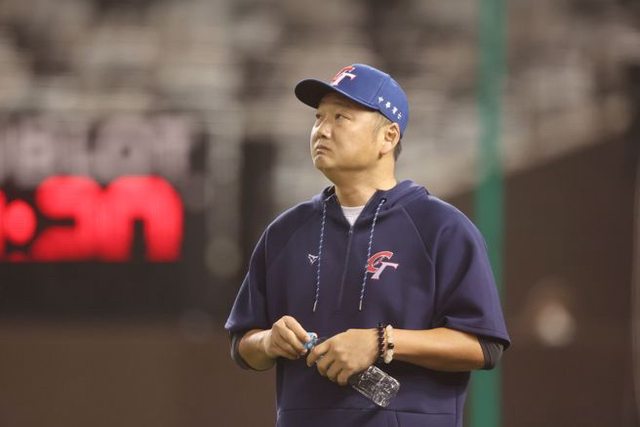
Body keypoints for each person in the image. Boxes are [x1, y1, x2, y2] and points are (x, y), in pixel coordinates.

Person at [225, 63, 510, 427]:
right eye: (318, 117)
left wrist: (382, 342)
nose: (321, 130)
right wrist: (268, 342)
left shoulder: (442, 227)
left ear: (388, 137)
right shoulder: (285, 231)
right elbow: (242, 344)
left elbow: (483, 346)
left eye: (340, 117)